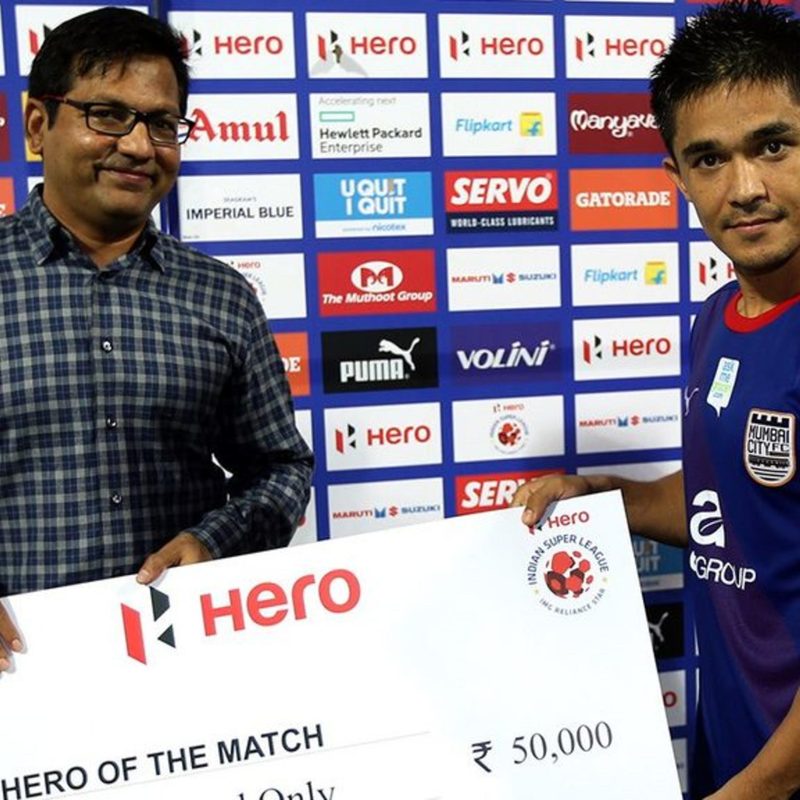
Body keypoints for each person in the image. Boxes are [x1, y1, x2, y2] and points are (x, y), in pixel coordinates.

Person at [514, 1, 800, 797]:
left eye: (773, 145)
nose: (745, 188)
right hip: (735, 747)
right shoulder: (717, 318)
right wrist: (609, 496)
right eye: (709, 160)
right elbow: (733, 505)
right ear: (676, 177)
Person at [0, 8, 313, 671]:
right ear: (37, 125)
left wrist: (214, 542)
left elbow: (280, 468)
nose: (141, 146)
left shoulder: (221, 296)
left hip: (185, 667)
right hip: (16, 682)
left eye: (163, 124)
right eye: (108, 115)